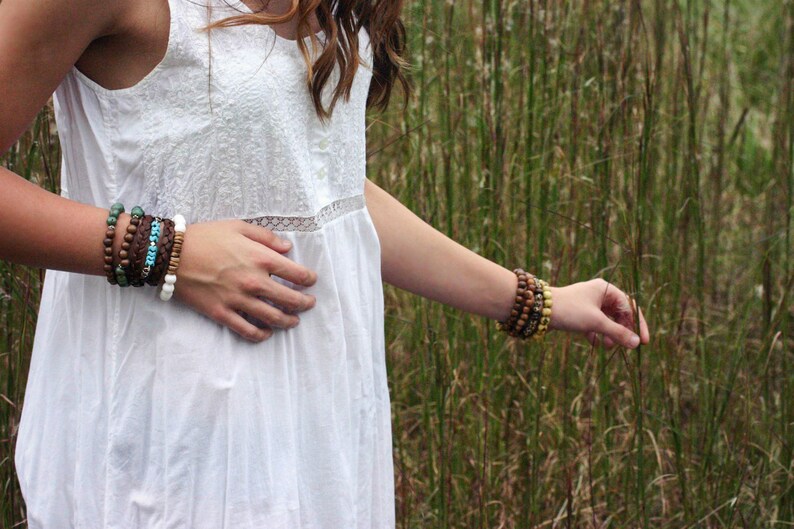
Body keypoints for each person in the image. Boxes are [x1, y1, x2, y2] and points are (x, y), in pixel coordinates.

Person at [0, 0, 651, 527]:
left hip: (319, 439)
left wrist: (531, 299)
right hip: (167, 451)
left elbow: (323, 191)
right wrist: (168, 251)